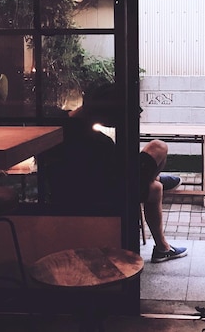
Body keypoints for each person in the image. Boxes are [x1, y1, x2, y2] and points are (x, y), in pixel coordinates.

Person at [46, 84, 187, 263]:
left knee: (155, 178)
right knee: (157, 167)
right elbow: (112, 176)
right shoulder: (99, 143)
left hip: (69, 187)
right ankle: (162, 247)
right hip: (100, 193)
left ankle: (154, 181)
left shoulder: (55, 118)